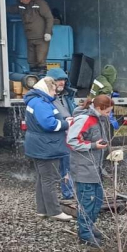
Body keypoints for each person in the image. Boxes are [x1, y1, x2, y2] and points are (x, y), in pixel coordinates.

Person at [23, 77, 73, 221]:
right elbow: (49, 124)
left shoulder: (35, 100)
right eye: (53, 90)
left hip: (39, 144)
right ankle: (54, 211)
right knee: (49, 179)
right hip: (46, 146)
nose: (54, 93)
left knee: (42, 178)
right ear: (46, 89)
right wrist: (66, 124)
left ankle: (42, 209)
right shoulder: (41, 103)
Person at [66, 95, 113, 247]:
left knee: (97, 200)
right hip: (83, 168)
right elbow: (71, 141)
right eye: (108, 111)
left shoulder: (99, 118)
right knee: (87, 201)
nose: (109, 114)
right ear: (99, 108)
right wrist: (93, 145)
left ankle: (90, 227)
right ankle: (85, 234)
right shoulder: (84, 119)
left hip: (95, 167)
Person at [47, 67, 77, 200]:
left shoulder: (67, 96)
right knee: (58, 168)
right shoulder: (46, 99)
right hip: (57, 135)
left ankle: (70, 193)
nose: (62, 83)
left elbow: (73, 110)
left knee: (69, 164)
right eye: (58, 80)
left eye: (63, 80)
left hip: (70, 134)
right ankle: (65, 195)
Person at [10, 0, 54, 74]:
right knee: (31, 60)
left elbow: (49, 17)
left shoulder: (40, 3)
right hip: (30, 37)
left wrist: (48, 32)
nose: (21, 1)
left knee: (41, 59)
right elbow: (11, 9)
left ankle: (42, 75)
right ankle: (32, 76)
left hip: (41, 37)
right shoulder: (22, 5)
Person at [88, 64, 120, 141]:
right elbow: (105, 105)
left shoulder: (98, 79)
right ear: (111, 76)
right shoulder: (107, 87)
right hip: (100, 113)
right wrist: (111, 118)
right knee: (104, 136)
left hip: (92, 107)